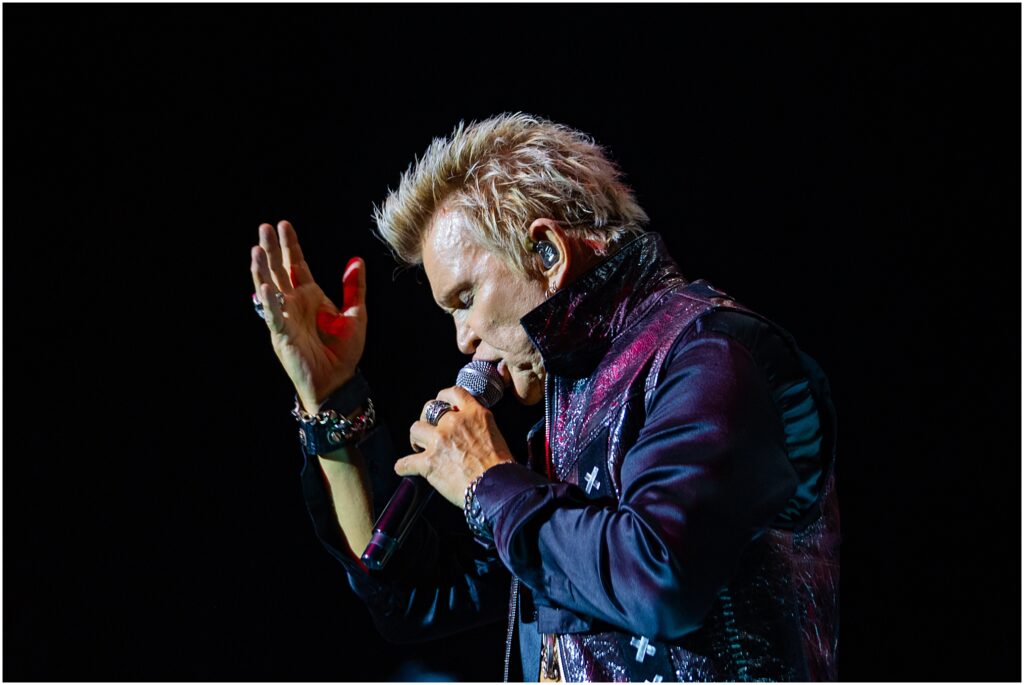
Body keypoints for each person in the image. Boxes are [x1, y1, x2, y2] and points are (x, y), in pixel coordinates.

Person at [249, 113, 839, 681]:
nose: (463, 339)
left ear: (546, 254)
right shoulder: (564, 424)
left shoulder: (711, 355)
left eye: (465, 298)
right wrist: (330, 398)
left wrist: (486, 480)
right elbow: (417, 597)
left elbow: (662, 579)